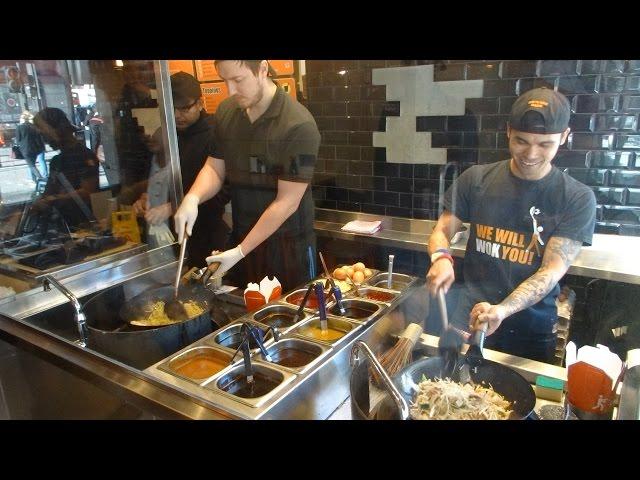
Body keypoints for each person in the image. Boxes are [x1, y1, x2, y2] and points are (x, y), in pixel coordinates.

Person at [426, 87, 597, 363]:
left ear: (564, 136)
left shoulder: (576, 198)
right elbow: (442, 230)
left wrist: (502, 310)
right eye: (521, 141)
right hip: (468, 316)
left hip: (529, 327)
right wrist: (441, 257)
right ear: (508, 131)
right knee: (451, 391)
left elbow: (551, 270)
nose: (530, 153)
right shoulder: (477, 179)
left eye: (545, 144)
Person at [174, 60, 321, 291]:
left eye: (238, 80)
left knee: (292, 318)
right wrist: (192, 198)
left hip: (287, 249)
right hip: (242, 240)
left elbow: (287, 202)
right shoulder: (226, 112)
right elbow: (215, 167)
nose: (231, 91)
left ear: (263, 69)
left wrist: (241, 251)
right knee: (245, 317)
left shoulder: (298, 125)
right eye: (225, 80)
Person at [133, 72, 231, 262]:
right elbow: (165, 176)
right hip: (169, 238)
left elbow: (224, 192)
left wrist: (172, 206)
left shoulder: (214, 134)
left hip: (206, 234)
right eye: (172, 108)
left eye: (185, 108)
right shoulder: (170, 136)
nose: (178, 115)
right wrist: (151, 197)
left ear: (200, 103)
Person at [31, 108, 99, 229]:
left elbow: (88, 192)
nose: (45, 140)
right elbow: (49, 191)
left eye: (45, 134)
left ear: (58, 130)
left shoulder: (84, 155)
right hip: (62, 225)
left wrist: (53, 199)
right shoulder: (56, 161)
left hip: (82, 225)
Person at [15, 110, 46, 182]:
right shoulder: (33, 127)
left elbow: (18, 139)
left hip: (25, 149)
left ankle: (41, 178)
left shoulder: (19, 127)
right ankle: (34, 180)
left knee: (31, 165)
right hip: (35, 149)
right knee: (32, 164)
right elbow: (39, 137)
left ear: (22, 119)